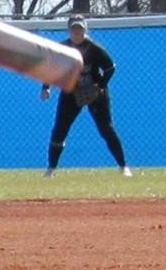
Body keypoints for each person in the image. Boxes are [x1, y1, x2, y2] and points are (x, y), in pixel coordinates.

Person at [42, 13, 131, 176]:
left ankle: (123, 166)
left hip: (95, 92)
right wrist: (46, 88)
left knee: (106, 128)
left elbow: (110, 67)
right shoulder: (62, 49)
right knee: (60, 129)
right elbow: (51, 69)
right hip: (71, 91)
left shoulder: (94, 48)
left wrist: (100, 86)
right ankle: (51, 168)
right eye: (74, 28)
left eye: (80, 29)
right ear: (69, 30)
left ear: (85, 30)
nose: (77, 32)